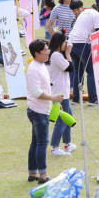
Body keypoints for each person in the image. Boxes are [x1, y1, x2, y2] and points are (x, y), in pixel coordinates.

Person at [26, 39, 63, 183]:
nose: (48, 52)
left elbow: (45, 88)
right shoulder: (34, 69)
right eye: (45, 50)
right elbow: (36, 92)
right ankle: (43, 175)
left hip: (41, 109)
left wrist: (53, 102)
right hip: (38, 111)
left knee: (36, 143)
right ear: (37, 53)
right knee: (41, 143)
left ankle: (33, 173)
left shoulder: (41, 65)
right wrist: (53, 97)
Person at [47, 32, 76, 156]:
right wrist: (68, 53)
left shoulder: (57, 55)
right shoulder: (56, 55)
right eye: (64, 42)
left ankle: (67, 144)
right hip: (59, 93)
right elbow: (70, 68)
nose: (66, 45)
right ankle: (55, 147)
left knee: (68, 116)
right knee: (63, 119)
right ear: (60, 43)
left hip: (62, 91)